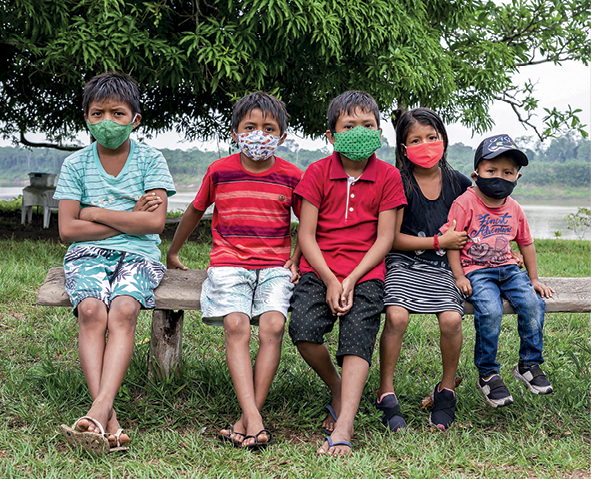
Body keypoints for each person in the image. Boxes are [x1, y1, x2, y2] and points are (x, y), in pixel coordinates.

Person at [166, 92, 302, 450]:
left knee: (273, 325)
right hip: (229, 262)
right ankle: (254, 417)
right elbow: (195, 211)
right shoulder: (220, 171)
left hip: (275, 265)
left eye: (268, 128)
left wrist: (297, 257)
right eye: (250, 127)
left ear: (282, 137)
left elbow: (309, 222)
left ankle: (247, 417)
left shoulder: (292, 175)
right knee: (236, 324)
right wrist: (174, 249)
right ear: (235, 132)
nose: (259, 135)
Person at [55, 72, 176, 454]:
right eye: (98, 113)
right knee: (91, 311)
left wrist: (93, 212)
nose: (107, 121)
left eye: (118, 113)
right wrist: (127, 216)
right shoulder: (75, 165)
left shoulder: (150, 161)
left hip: (140, 256)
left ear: (135, 119)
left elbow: (154, 224)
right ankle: (108, 416)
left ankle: (98, 411)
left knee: (123, 310)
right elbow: (67, 230)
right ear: (87, 118)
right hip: (86, 256)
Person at [289, 90, 406, 456]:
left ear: (379, 130)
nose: (359, 131)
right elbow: (306, 235)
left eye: (367, 125)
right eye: (349, 125)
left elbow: (385, 238)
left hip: (367, 272)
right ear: (332, 135)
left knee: (357, 337)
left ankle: (344, 425)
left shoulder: (388, 176)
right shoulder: (317, 173)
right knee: (303, 330)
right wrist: (329, 279)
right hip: (319, 268)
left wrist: (352, 278)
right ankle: (338, 388)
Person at [376, 108, 472, 432]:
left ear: (443, 139)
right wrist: (436, 240)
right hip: (405, 261)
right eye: (415, 140)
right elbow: (389, 239)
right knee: (397, 316)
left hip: (444, 264)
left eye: (432, 137)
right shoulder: (398, 182)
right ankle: (385, 391)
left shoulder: (458, 183)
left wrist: (506, 253)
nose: (426, 145)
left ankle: (446, 391)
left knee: (452, 319)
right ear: (404, 148)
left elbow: (477, 225)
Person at [442, 134, 554, 409]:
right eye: (491, 170)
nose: (499, 177)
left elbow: (526, 243)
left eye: (507, 172)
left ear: (516, 178)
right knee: (490, 311)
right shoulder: (465, 203)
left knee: (532, 304)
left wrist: (534, 278)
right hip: (476, 271)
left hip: (508, 269)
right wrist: (459, 276)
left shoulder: (514, 208)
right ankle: (488, 374)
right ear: (476, 173)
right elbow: (452, 244)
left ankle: (529, 364)